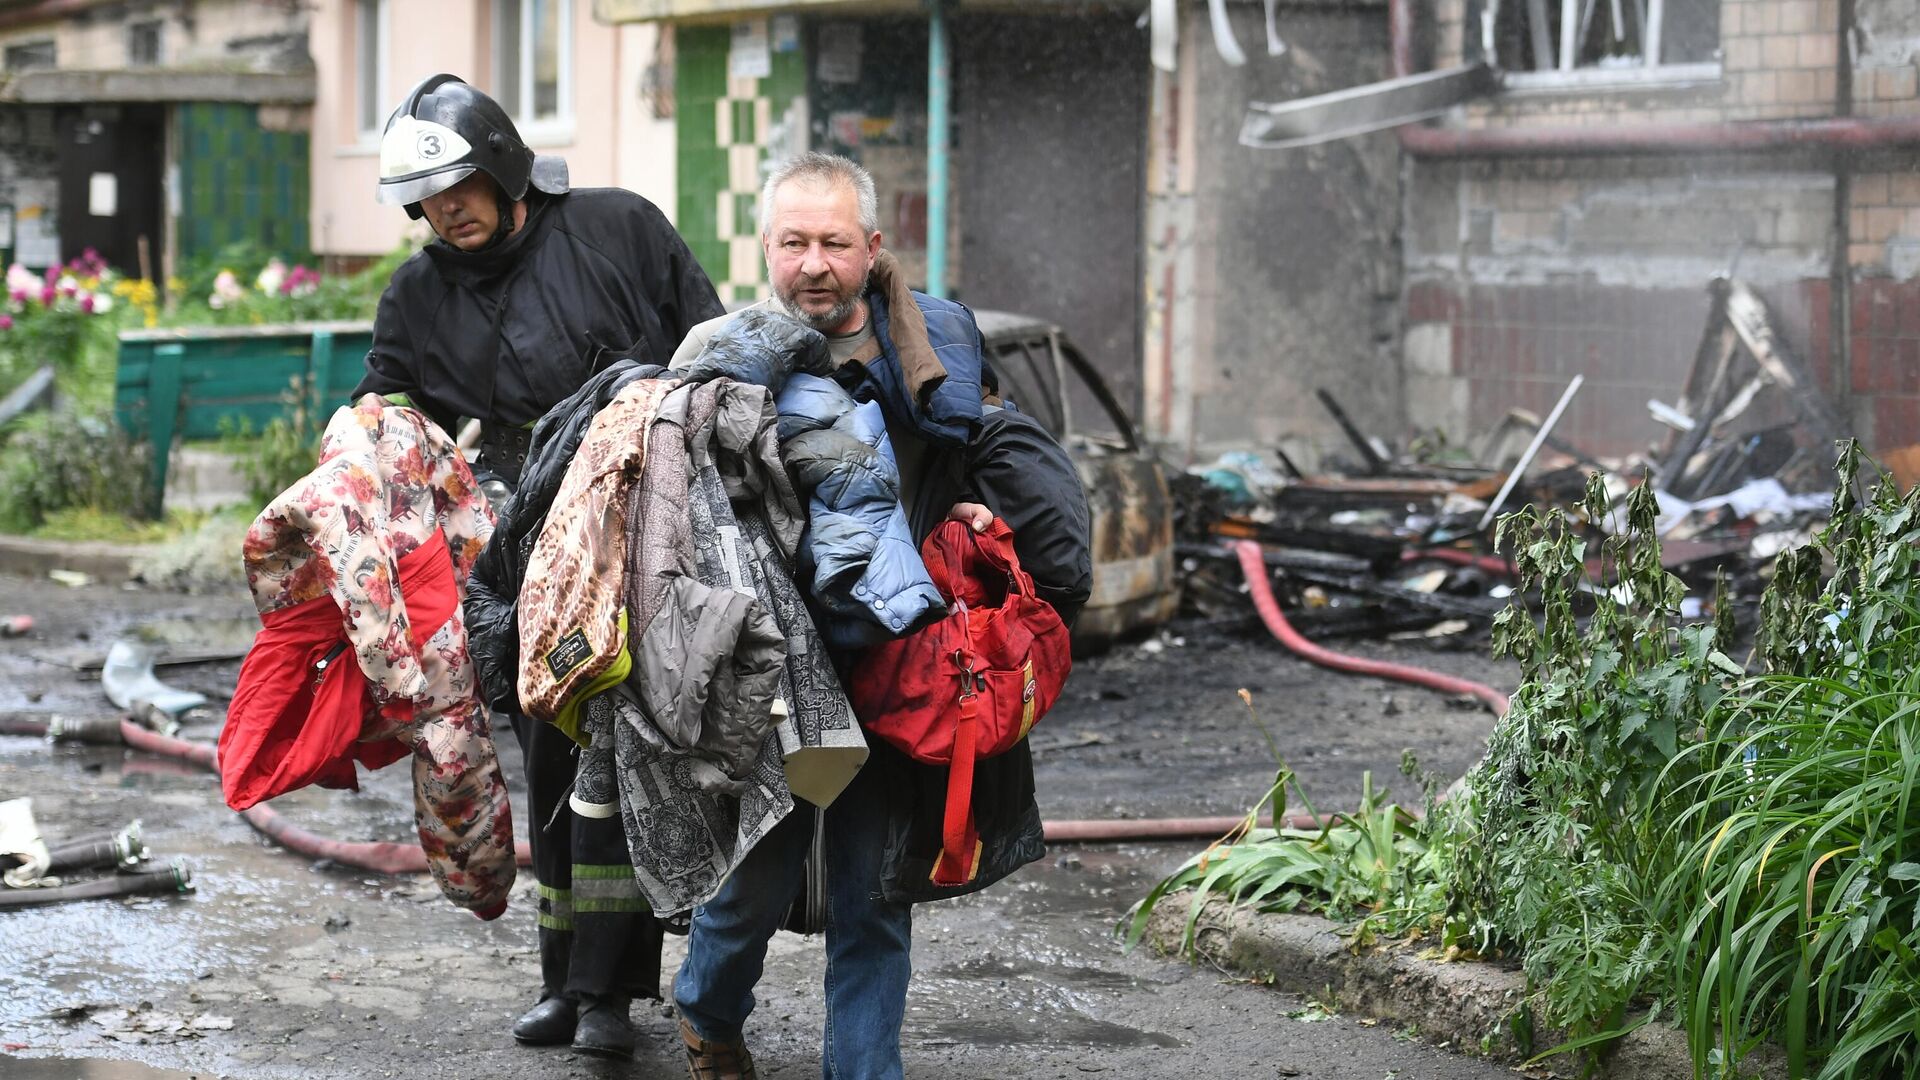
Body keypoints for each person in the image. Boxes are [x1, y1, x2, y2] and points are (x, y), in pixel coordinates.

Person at [668, 153, 1093, 1080]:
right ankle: (706, 1009)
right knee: (752, 882)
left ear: (871, 248)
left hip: (901, 663)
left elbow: (987, 469)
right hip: (773, 666)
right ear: (764, 248)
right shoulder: (722, 358)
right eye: (793, 242)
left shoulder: (930, 357)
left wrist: (977, 525)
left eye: (832, 242)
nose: (813, 263)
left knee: (873, 898)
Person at [354, 72, 725, 1060]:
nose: (446, 213)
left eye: (461, 188)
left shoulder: (619, 232)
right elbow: (387, 403)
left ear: (507, 165)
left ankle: (613, 994)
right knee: (553, 762)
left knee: (630, 757)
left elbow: (711, 347)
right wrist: (361, 437)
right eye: (426, 202)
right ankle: (564, 981)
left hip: (645, 529)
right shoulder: (418, 292)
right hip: (517, 555)